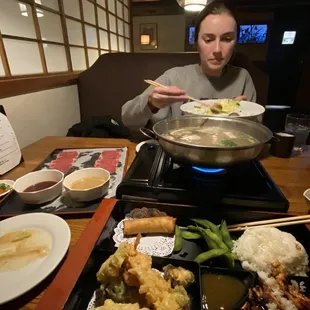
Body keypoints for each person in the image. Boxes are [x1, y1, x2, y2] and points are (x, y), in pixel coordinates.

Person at [122, 2, 257, 130]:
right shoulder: (174, 77)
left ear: (235, 42)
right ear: (196, 41)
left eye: (227, 39)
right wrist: (151, 104)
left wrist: (239, 117)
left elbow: (255, 131)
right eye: (208, 39)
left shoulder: (242, 79)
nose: (217, 49)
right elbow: (128, 120)